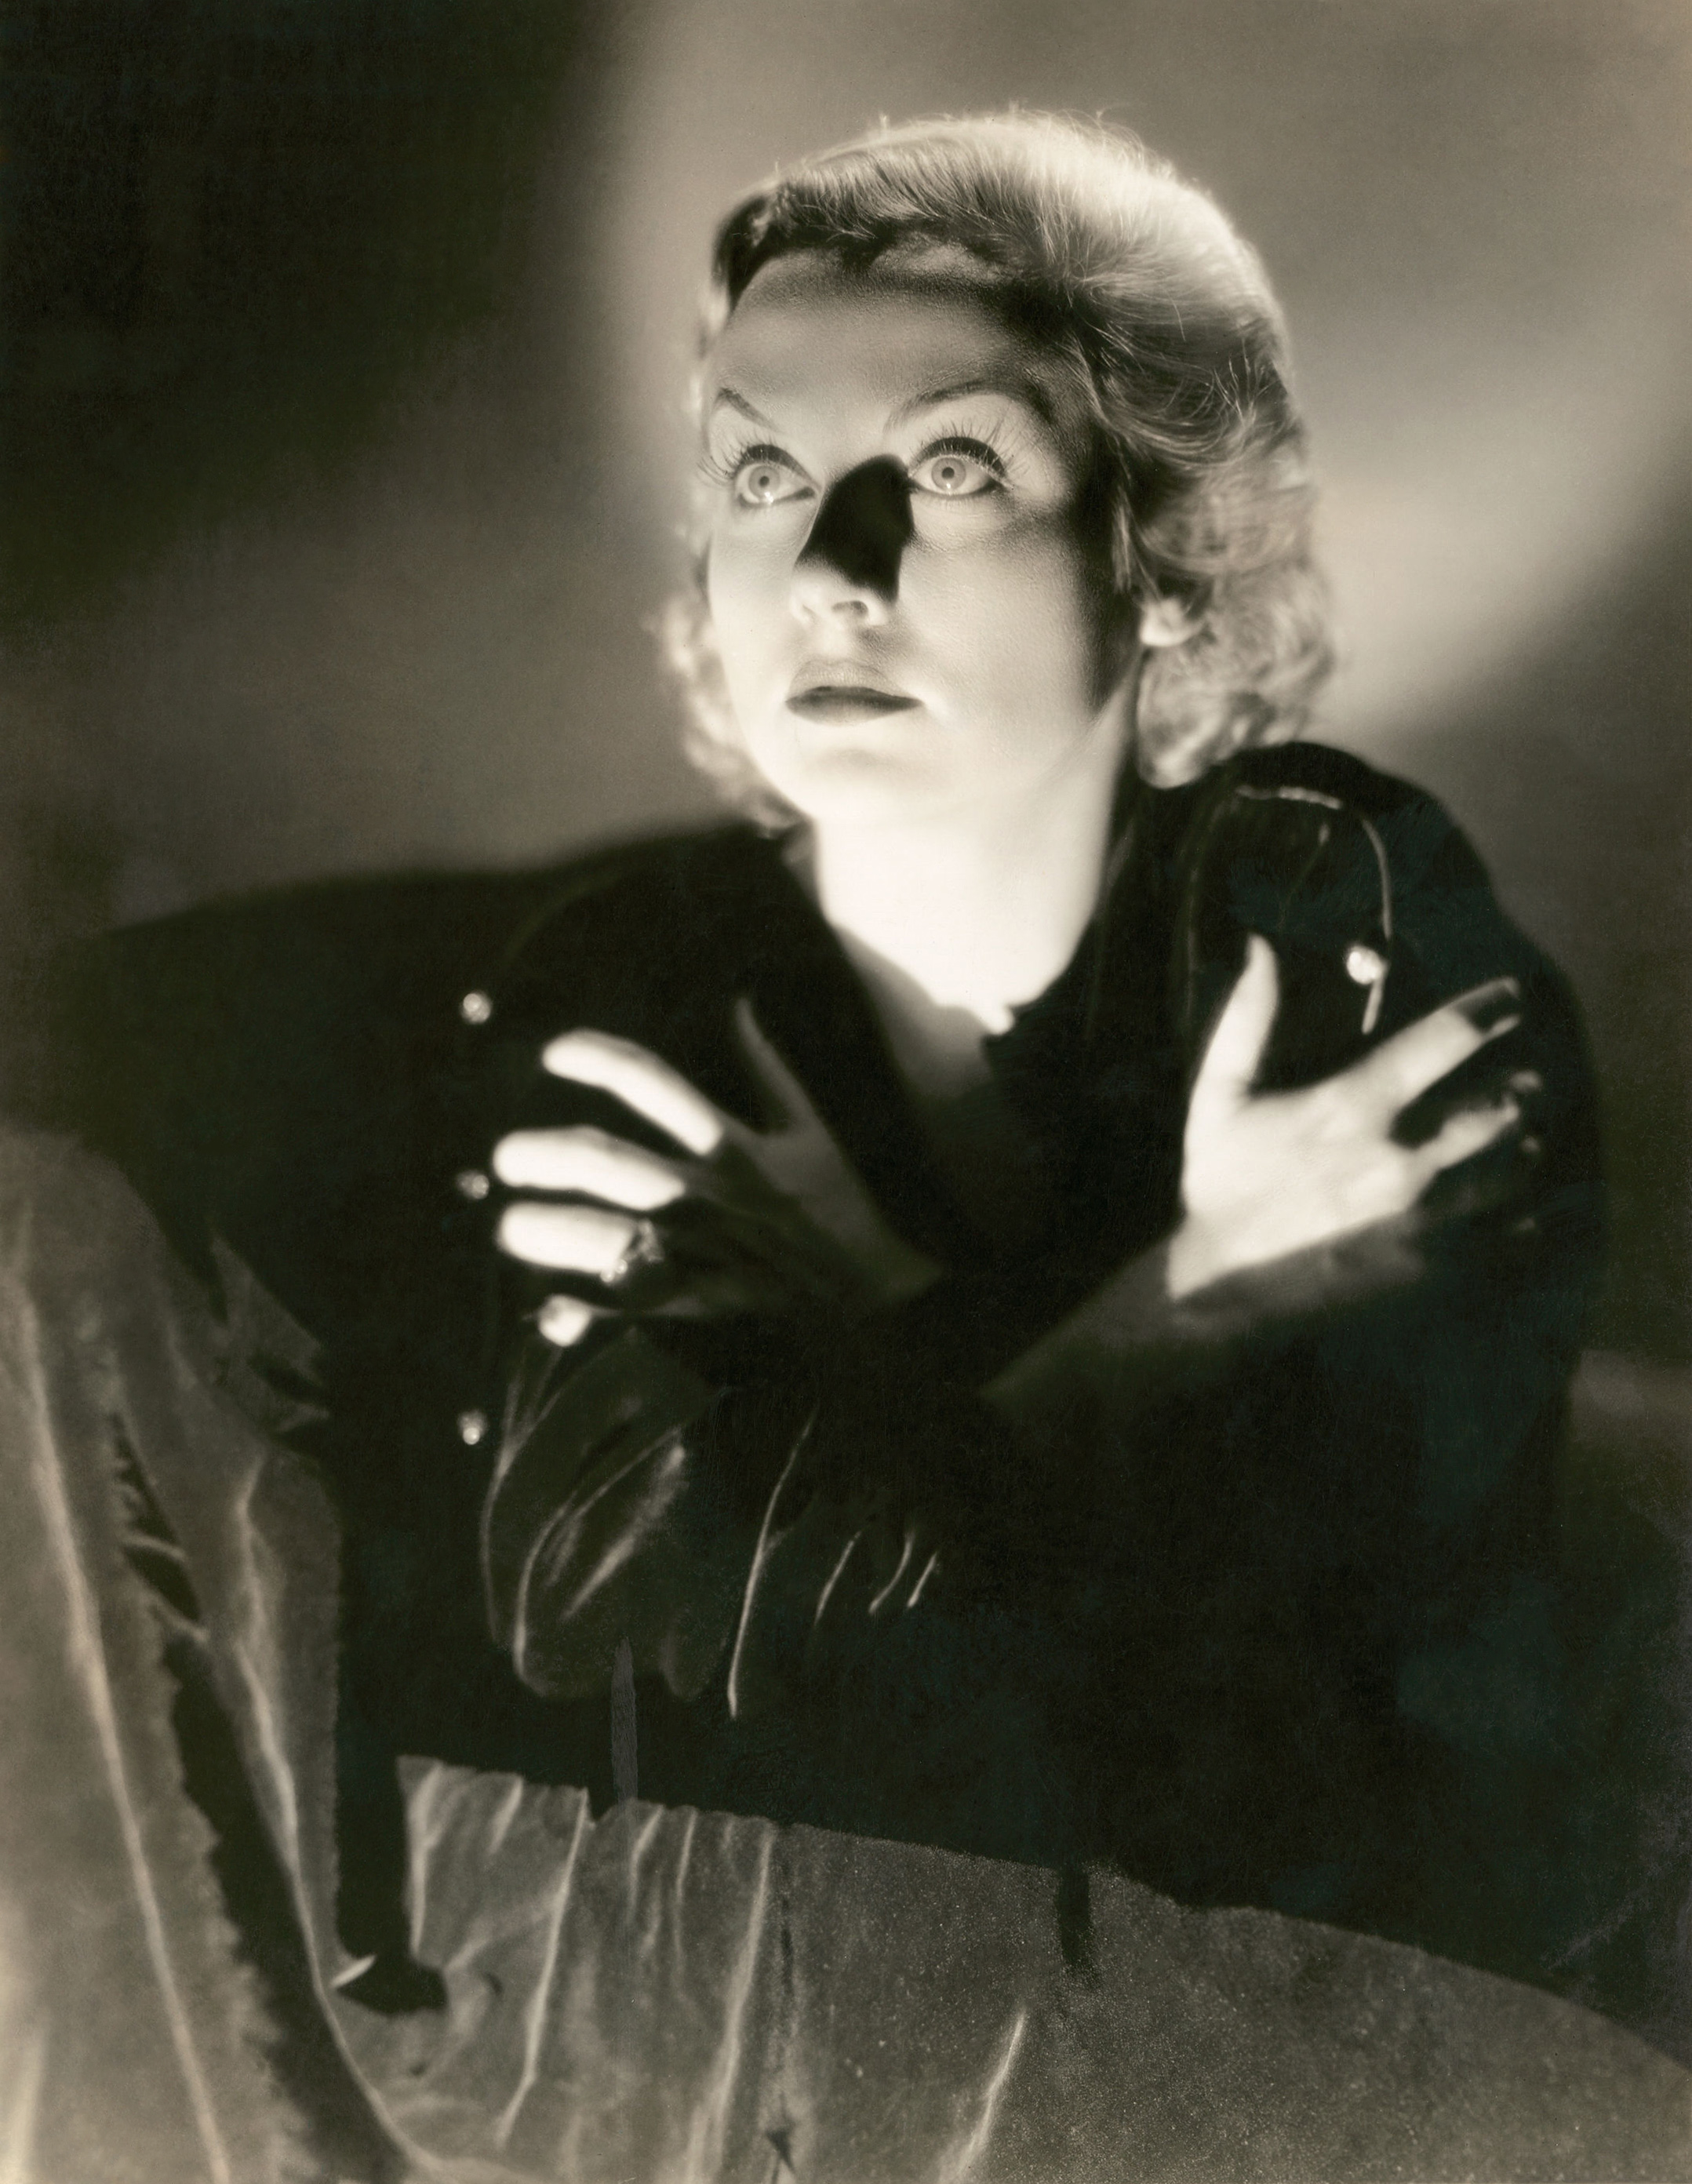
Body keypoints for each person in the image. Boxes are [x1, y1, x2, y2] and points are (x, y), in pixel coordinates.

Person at [6, 110, 1685, 2180]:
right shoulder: (632, 992)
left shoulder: (1350, 927)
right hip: (693, 2030)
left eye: (952, 469)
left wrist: (854, 1351)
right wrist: (1170, 1313)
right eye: (761, 478)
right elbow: (694, 1687)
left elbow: (1320, 1728)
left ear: (1165, 559)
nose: (828, 566)